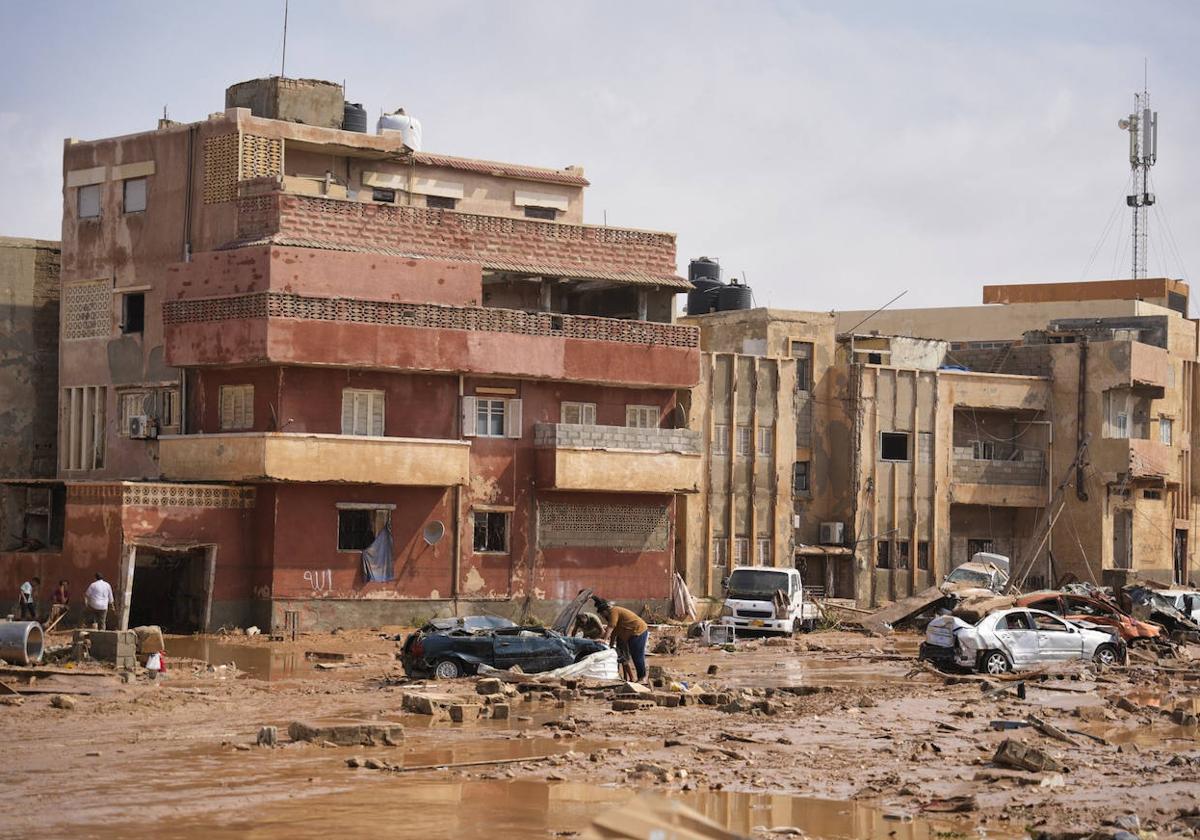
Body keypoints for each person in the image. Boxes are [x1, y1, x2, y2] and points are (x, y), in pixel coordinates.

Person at [593, 596, 649, 683]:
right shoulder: (612, 614)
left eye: (602, 614)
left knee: (637, 655)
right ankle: (629, 677)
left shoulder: (613, 611)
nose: (602, 616)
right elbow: (614, 632)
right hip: (626, 635)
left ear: (605, 611)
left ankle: (642, 678)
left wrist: (604, 640)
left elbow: (611, 627)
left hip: (638, 631)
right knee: (623, 655)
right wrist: (610, 644)